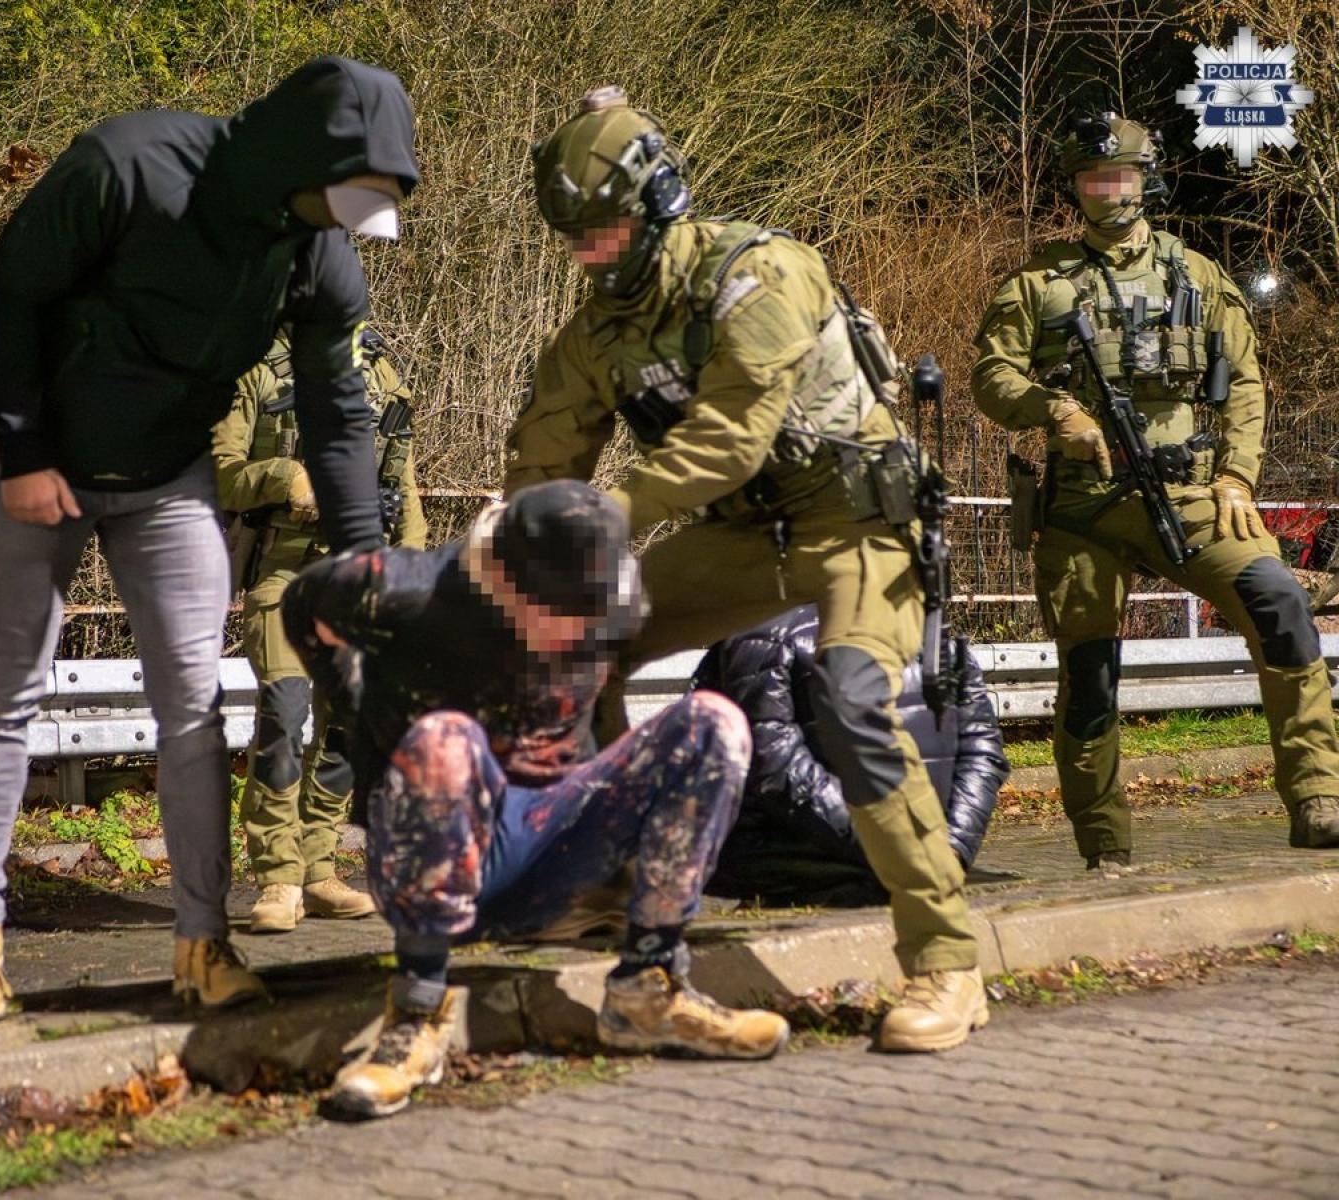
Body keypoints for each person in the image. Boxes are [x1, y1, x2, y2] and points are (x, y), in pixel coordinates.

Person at [504, 86, 987, 1052]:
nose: (590, 255)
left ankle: (946, 962)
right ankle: (608, 885)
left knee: (853, 702)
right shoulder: (599, 332)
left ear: (658, 203)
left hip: (856, 521)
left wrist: (610, 516)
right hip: (743, 537)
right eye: (575, 240)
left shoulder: (763, 275)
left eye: (603, 232)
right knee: (585, 649)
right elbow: (543, 455)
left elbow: (727, 440)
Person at [0, 56, 418, 1017]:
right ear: (300, 161)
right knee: (8, 692)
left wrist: (354, 563)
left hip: (168, 473)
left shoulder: (316, 253)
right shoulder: (128, 164)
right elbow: (5, 290)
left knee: (194, 702)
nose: (346, 230)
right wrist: (20, 448)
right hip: (35, 456)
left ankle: (201, 945)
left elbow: (341, 412)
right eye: (342, 201)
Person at [282, 480, 790, 1120]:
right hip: (437, 855)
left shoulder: (613, 598)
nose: (583, 635)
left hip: (554, 845)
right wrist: (361, 721)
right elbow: (301, 604)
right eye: (564, 617)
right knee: (446, 737)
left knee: (713, 724)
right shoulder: (405, 589)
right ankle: (416, 1015)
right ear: (501, 579)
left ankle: (648, 988)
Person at [972, 113, 1339, 870]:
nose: (1107, 191)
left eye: (1120, 176)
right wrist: (1055, 409)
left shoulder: (1198, 275)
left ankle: (1317, 796)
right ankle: (1107, 847)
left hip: (1196, 495)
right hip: (1083, 505)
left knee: (1280, 603)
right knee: (1091, 678)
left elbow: (1243, 382)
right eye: (1090, 178)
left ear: (1147, 180)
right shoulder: (1037, 284)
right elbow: (991, 375)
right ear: (1074, 187)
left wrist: (1239, 474)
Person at [212, 328, 426, 933]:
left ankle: (319, 868)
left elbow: (402, 486)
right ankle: (278, 876)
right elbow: (222, 473)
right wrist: (286, 477)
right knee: (284, 710)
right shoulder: (255, 369)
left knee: (350, 720)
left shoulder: (379, 369)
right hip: (284, 572)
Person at [693, 605, 1007, 903]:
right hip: (916, 854)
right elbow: (983, 750)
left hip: (802, 862)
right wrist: (948, 849)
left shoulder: (763, 628)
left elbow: (774, 769)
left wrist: (907, 849)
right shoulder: (929, 624)